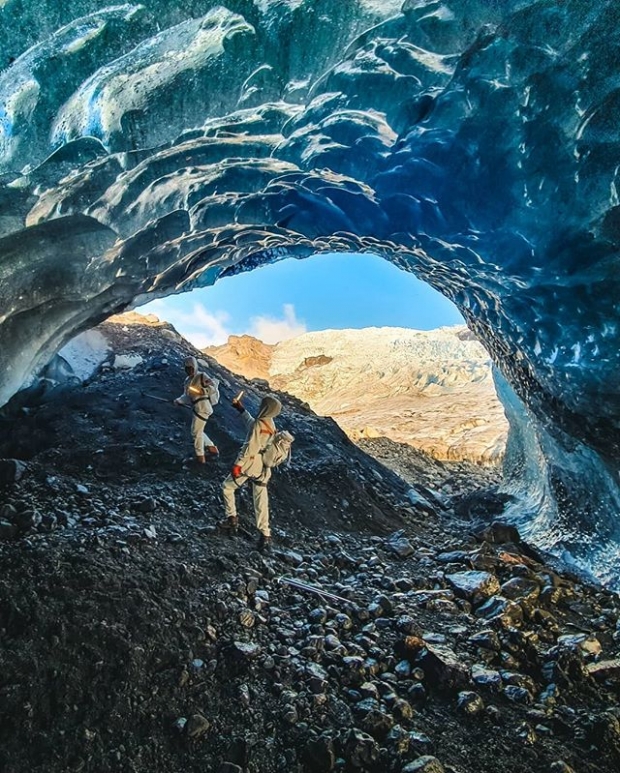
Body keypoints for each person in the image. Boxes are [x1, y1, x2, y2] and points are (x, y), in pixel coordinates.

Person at [221, 392, 282, 552]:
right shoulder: (270, 424)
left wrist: (238, 465)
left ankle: (232, 519)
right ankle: (265, 534)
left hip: (251, 464)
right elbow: (253, 424)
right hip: (264, 468)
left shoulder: (258, 425)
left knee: (227, 487)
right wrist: (241, 410)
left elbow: (249, 448)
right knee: (261, 501)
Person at [174, 355, 219, 464]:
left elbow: (212, 388)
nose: (189, 370)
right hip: (197, 407)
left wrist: (202, 391)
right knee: (197, 431)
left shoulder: (202, 376)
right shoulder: (187, 381)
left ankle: (200, 457)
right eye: (187, 368)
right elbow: (187, 396)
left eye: (190, 368)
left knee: (196, 432)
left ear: (194, 367)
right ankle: (212, 449)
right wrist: (179, 401)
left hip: (203, 407)